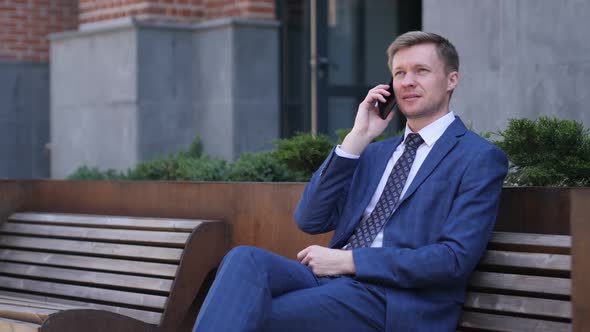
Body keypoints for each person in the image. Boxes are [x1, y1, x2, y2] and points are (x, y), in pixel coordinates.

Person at [193, 31, 508, 332]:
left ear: (452, 79)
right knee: (244, 259)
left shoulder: (477, 157)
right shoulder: (374, 154)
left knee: (254, 316)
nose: (408, 82)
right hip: (332, 282)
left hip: (395, 299)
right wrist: (357, 139)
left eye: (421, 71)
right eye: (399, 73)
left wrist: (350, 260)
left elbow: (454, 259)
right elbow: (310, 218)